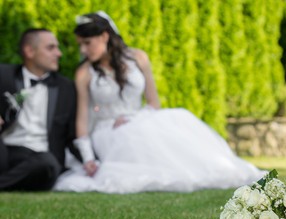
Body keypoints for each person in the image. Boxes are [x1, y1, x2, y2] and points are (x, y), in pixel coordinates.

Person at [54, 11, 265, 193]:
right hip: (106, 128)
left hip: (139, 118)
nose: (82, 50)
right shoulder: (84, 73)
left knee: (176, 120)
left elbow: (153, 102)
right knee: (131, 136)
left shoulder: (138, 58)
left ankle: (207, 170)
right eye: (80, 44)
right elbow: (82, 120)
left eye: (87, 43)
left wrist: (132, 118)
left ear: (104, 36)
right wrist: (89, 158)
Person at [0, 28, 78, 191]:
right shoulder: (5, 75)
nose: (59, 53)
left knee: (47, 165)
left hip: (40, 156)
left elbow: (73, 134)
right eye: (51, 48)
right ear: (29, 51)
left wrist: (91, 160)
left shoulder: (66, 88)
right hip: (5, 150)